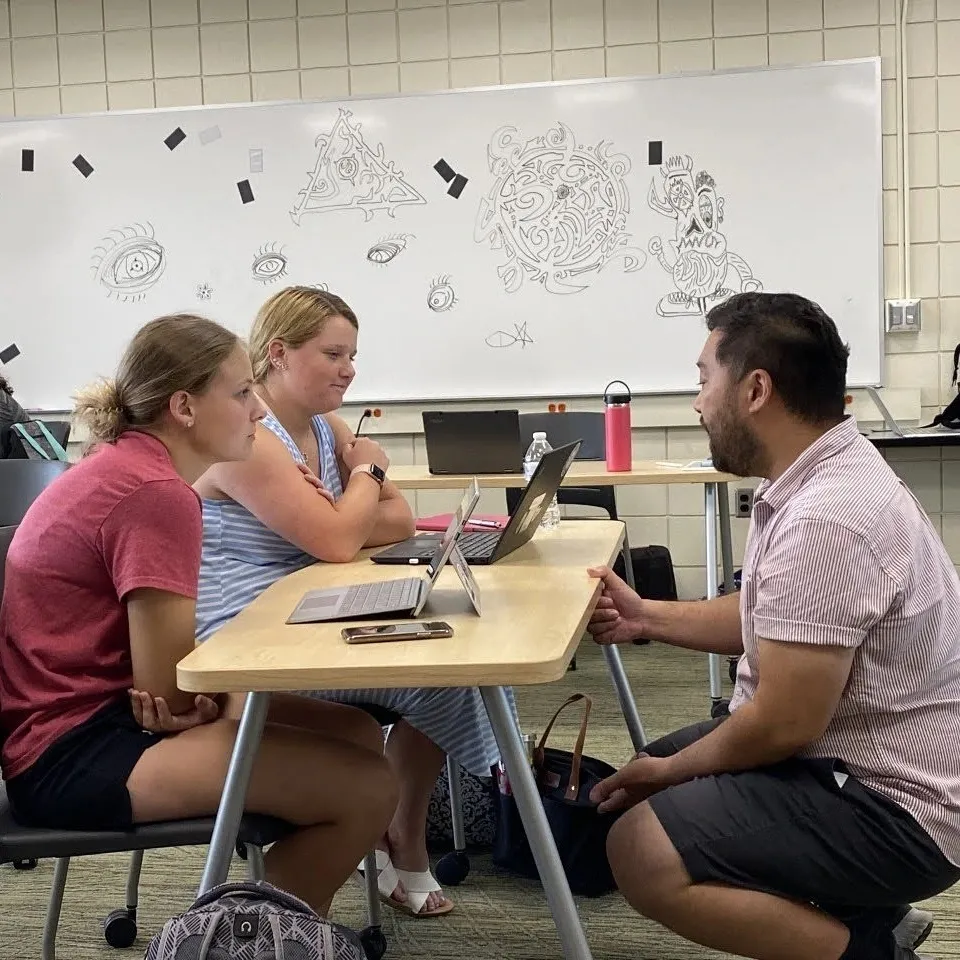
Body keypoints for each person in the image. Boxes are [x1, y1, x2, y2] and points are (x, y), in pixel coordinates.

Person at [587, 291, 960, 960]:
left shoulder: (826, 517)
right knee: (653, 772)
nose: (699, 403)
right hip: (872, 758)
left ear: (755, 389)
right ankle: (869, 918)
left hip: (904, 808)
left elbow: (785, 725)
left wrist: (668, 776)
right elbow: (783, 619)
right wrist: (645, 616)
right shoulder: (825, 471)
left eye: (705, 379)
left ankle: (869, 952)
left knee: (639, 846)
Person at [0, 314, 397, 915]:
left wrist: (202, 702)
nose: (259, 412)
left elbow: (169, 694)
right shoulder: (156, 495)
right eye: (241, 394)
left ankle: (275, 917)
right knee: (369, 788)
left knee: (358, 732)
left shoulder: (128, 466)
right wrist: (200, 703)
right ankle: (231, 945)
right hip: (71, 754)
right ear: (183, 407)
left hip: (91, 722)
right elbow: (170, 694)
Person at [195, 286, 512, 918]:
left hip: (309, 597)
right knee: (437, 677)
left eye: (354, 355)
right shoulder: (249, 436)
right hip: (244, 626)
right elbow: (341, 538)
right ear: (278, 354)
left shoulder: (325, 426)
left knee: (453, 669)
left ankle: (401, 831)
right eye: (334, 353)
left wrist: (340, 513)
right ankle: (395, 840)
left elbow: (399, 520)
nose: (349, 369)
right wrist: (363, 477)